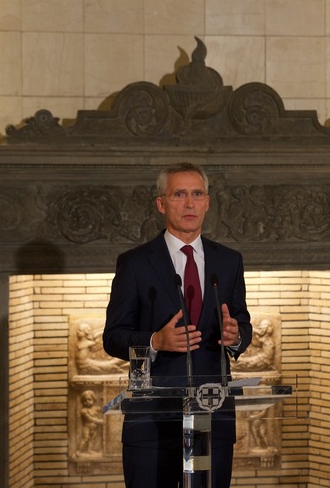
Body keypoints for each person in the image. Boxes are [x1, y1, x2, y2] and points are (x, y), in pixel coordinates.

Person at [104, 162, 252, 488]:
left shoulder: (229, 261)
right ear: (161, 203)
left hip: (211, 416)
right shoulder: (135, 263)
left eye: (197, 194)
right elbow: (113, 337)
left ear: (207, 202)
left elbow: (242, 322)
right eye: (179, 194)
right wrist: (155, 341)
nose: (189, 203)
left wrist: (236, 335)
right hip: (152, 422)